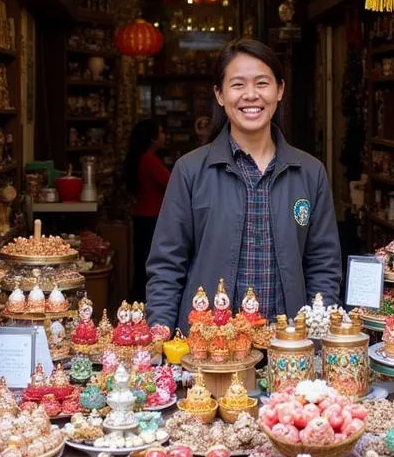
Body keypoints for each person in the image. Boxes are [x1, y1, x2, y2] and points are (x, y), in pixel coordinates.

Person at [146, 38, 341, 330]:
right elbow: (166, 265)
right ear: (220, 94)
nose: (251, 95)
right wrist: (159, 333)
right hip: (211, 347)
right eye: (237, 85)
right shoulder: (191, 170)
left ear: (280, 91)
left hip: (287, 347)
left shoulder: (310, 172)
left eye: (262, 83)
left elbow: (323, 265)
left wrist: (317, 335)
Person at [124, 119, 170, 298]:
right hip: (152, 217)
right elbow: (171, 182)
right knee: (150, 263)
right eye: (161, 132)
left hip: (142, 215)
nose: (164, 136)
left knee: (142, 261)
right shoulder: (149, 160)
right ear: (152, 138)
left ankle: (138, 299)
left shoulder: (141, 158)